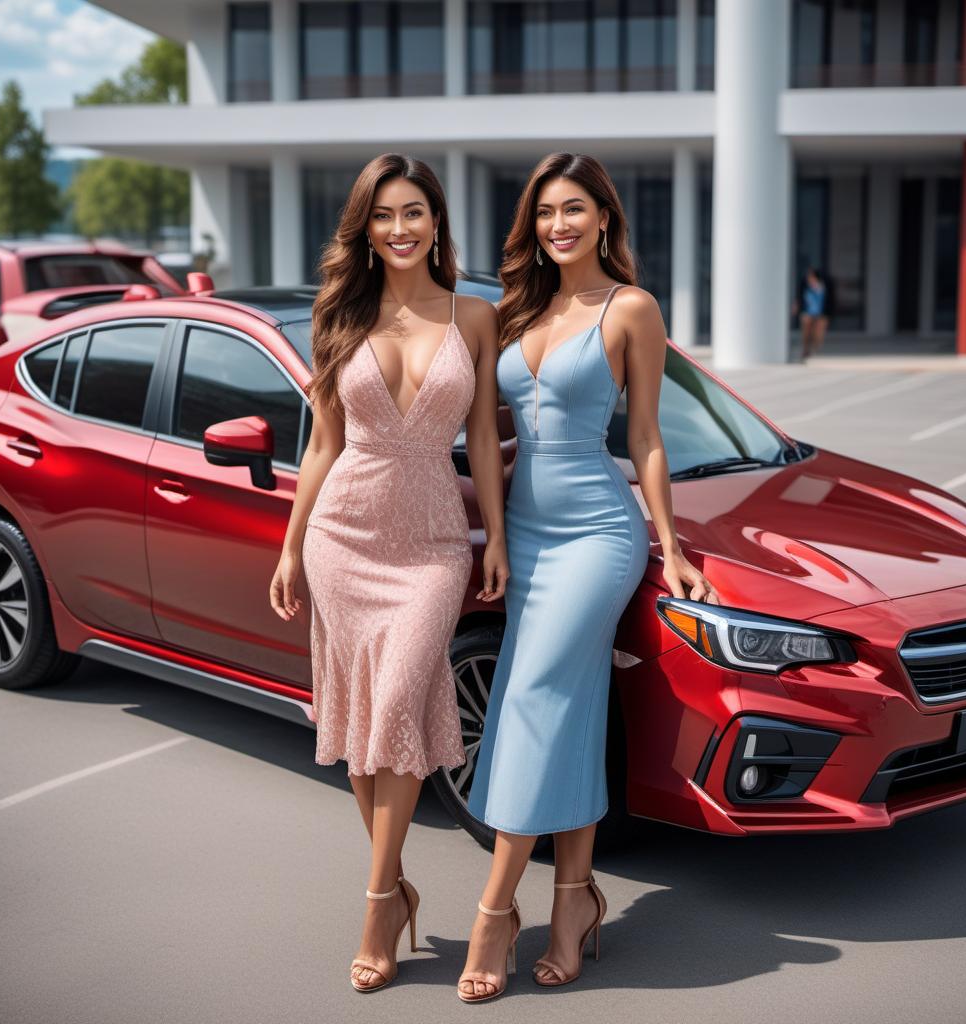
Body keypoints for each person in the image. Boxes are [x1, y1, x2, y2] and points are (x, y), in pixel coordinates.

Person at [457, 152, 718, 1003]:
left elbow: (644, 436)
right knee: (563, 711)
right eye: (543, 213)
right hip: (526, 535)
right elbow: (486, 424)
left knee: (530, 697)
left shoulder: (629, 308)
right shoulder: (518, 308)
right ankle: (575, 902)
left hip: (599, 533)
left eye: (574, 209)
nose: (557, 225)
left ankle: (495, 911)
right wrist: (495, 533)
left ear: (605, 216)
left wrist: (670, 546)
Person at [269, 153, 507, 993]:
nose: (400, 229)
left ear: (437, 223)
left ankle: (378, 901)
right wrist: (293, 544)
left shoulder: (475, 317)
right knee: (364, 733)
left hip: (436, 542)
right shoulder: (339, 315)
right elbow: (323, 444)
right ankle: (395, 886)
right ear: (364, 230)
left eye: (414, 213)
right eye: (383, 216)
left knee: (400, 700)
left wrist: (496, 539)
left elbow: (481, 438)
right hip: (345, 533)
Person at [794, 266, 830, 361]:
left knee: (818, 334)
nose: (809, 279)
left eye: (811, 277)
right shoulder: (804, 286)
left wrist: (828, 314)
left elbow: (830, 300)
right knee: (806, 333)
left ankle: (815, 349)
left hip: (821, 314)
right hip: (808, 313)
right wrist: (797, 307)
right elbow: (799, 298)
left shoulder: (824, 286)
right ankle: (805, 350)